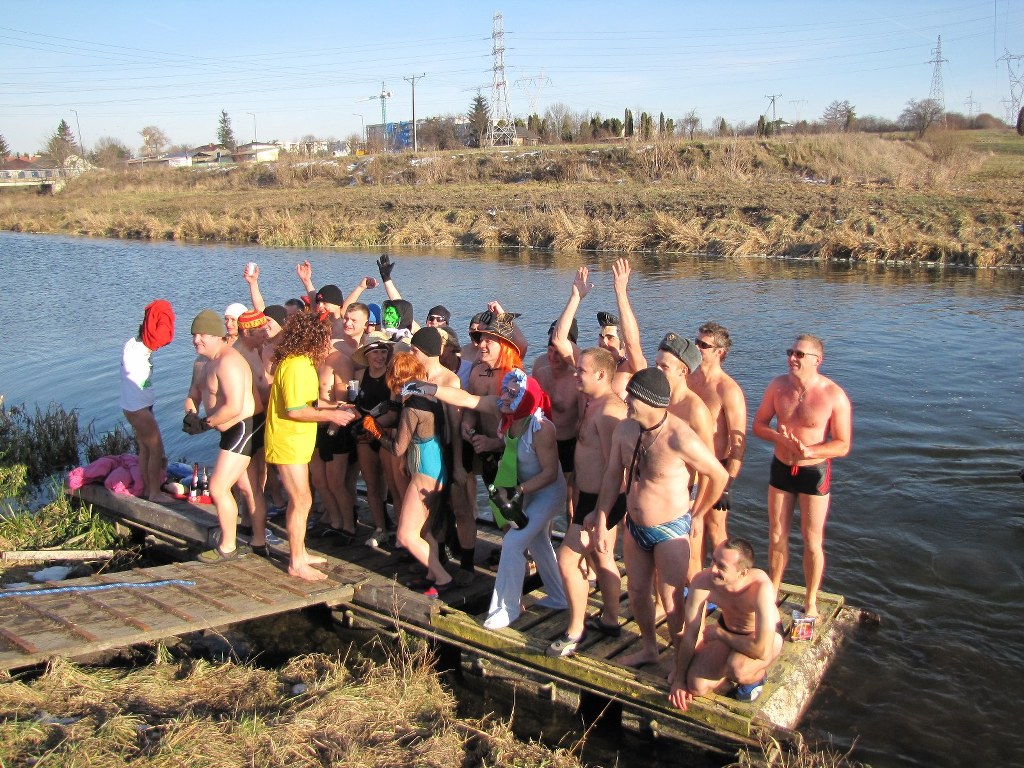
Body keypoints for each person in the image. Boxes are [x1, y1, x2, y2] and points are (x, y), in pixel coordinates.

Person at [586, 368, 728, 668]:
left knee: (671, 598)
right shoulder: (625, 430)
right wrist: (601, 518)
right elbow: (612, 475)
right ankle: (649, 648)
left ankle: (680, 663)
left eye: (632, 397)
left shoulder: (680, 438)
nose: (626, 400)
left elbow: (718, 475)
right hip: (635, 526)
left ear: (651, 401)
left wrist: (698, 514)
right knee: (637, 592)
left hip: (670, 529)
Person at [409, 368, 569, 629]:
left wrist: (518, 491)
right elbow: (466, 399)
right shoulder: (502, 410)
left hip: (548, 491)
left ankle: (506, 609)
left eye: (513, 394)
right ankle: (559, 596)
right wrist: (430, 389)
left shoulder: (541, 428)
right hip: (526, 488)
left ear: (525, 400)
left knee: (514, 541)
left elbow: (550, 473)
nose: (504, 396)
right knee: (537, 540)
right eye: (505, 391)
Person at [752, 333, 852, 619]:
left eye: (799, 354)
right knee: (776, 534)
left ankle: (810, 601)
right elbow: (758, 425)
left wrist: (810, 451)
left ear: (817, 360)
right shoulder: (777, 386)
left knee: (812, 540)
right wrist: (778, 438)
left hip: (813, 472)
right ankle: (772, 591)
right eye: (790, 352)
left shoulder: (833, 395)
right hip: (781, 467)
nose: (792, 358)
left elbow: (842, 444)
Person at [264, 310, 358, 581]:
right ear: (312, 338)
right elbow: (295, 410)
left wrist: (333, 408)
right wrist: (332, 416)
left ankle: (301, 552)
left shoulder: (301, 362)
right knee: (302, 499)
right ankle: (296, 562)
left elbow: (306, 404)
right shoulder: (295, 365)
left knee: (303, 498)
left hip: (297, 441)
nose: (328, 343)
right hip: (287, 441)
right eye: (324, 338)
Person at [548, 347, 627, 657]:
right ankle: (610, 620)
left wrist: (601, 514)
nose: (575, 375)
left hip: (601, 501)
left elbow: (617, 470)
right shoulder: (594, 402)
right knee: (603, 558)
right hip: (591, 498)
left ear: (601, 374)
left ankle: (575, 630)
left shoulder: (610, 413)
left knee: (567, 560)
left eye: (581, 370)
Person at [370, 352, 453, 596]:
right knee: (425, 531)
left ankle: (443, 578)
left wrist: (376, 432)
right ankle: (431, 575)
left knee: (406, 535)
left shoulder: (412, 407)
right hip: (435, 469)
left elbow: (397, 448)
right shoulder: (429, 397)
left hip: (424, 474)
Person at [668, 539, 784, 710]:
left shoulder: (760, 588)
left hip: (763, 638)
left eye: (721, 566)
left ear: (742, 573)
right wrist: (679, 678)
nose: (713, 569)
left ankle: (757, 677)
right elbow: (690, 634)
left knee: (737, 669)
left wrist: (720, 635)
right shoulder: (702, 581)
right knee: (696, 686)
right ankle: (725, 673)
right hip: (728, 630)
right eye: (713, 560)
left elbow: (761, 650)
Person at [182, 310, 258, 562]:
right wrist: (191, 414)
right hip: (226, 431)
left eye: (202, 335)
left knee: (218, 487)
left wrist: (205, 424)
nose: (196, 340)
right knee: (243, 487)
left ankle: (228, 546)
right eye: (194, 335)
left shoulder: (229, 362)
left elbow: (234, 406)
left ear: (217, 336)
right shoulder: (203, 363)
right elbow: (193, 394)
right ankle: (254, 537)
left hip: (242, 428)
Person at [688, 322, 748, 556]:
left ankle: (724, 571)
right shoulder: (687, 379)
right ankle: (694, 575)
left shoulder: (728, 390)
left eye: (703, 345)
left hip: (715, 469)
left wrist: (727, 486)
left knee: (715, 527)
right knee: (691, 529)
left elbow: (738, 446)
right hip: (687, 466)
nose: (697, 347)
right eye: (696, 342)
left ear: (719, 352)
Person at [120, 299, 175, 502]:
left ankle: (146, 489)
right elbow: (159, 335)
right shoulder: (139, 350)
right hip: (138, 409)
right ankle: (155, 493)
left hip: (134, 406)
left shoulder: (132, 344)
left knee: (144, 448)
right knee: (156, 450)